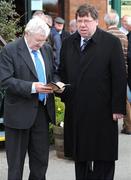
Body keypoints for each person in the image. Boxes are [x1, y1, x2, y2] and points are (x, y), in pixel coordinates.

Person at [57, 4, 127, 180]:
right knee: (80, 155)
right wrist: (59, 87)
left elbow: (119, 76)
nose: (82, 25)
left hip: (102, 109)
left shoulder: (111, 43)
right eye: (79, 20)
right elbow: (62, 71)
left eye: (86, 21)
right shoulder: (68, 43)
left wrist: (117, 108)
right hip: (77, 108)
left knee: (103, 154)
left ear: (96, 21)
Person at [0, 17, 56, 180]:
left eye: (44, 41)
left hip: (42, 113)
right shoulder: (10, 50)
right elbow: (4, 81)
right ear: (27, 34)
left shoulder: (45, 49)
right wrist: (32, 87)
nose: (41, 45)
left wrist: (55, 84)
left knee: (40, 162)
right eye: (38, 41)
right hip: (18, 114)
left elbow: (51, 72)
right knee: (16, 165)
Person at [104, 10, 131, 134]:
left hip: (106, 73)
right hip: (123, 71)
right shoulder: (124, 36)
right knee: (123, 99)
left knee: (105, 98)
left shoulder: (104, 35)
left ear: (105, 21)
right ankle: (128, 125)